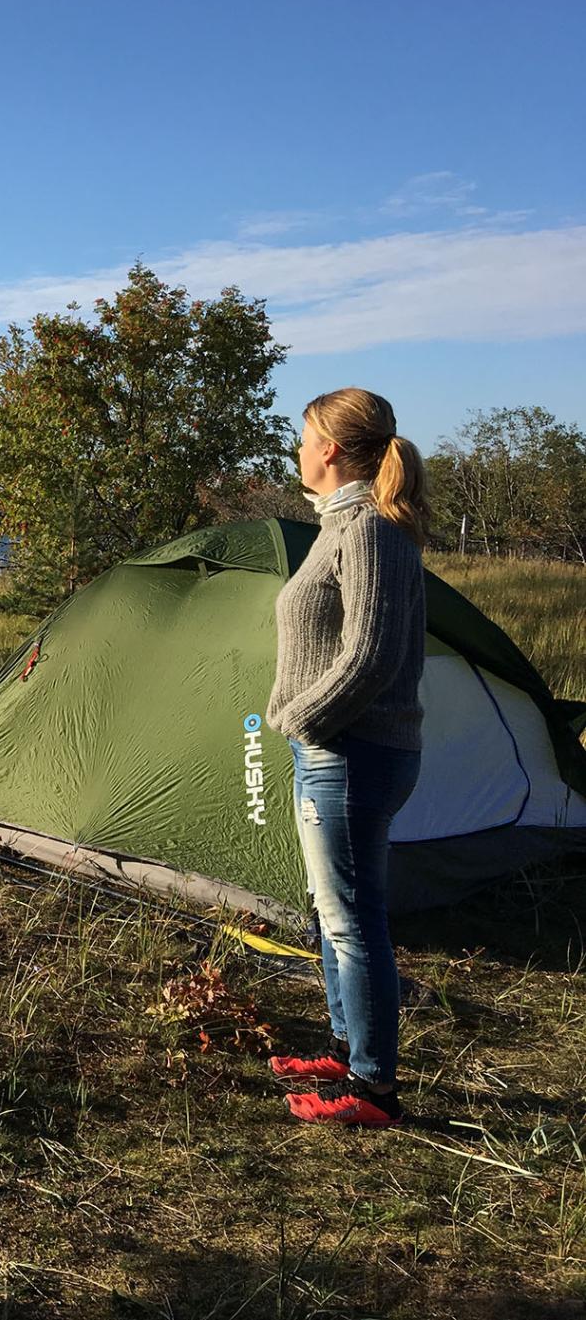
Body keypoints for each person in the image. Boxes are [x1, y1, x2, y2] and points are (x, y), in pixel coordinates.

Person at [263, 388, 430, 1126]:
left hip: (351, 752)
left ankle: (374, 1090)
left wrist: (300, 718)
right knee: (333, 912)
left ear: (331, 448)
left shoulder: (367, 530)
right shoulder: (343, 526)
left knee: (355, 918)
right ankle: (346, 1045)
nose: (298, 449)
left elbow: (371, 655)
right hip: (334, 749)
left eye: (305, 436)